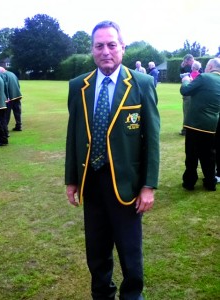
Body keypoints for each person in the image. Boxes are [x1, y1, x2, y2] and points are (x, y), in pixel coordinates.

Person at [65, 20, 160, 300]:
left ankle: (132, 295)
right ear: (92, 50)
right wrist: (71, 180)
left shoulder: (141, 83)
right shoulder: (78, 86)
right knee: (96, 248)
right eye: (99, 45)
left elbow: (151, 140)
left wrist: (148, 186)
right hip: (90, 180)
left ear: (122, 47)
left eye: (111, 45)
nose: (105, 51)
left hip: (126, 184)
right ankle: (102, 294)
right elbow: (73, 136)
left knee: (130, 249)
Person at [180, 58, 220, 191]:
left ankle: (189, 182)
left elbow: (185, 91)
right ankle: (210, 182)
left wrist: (185, 80)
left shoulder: (203, 77)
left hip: (195, 123)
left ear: (210, 67)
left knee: (191, 154)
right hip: (212, 125)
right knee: (209, 155)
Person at [0, 67, 23, 131]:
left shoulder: (3, 75)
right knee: (17, 112)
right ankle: (19, 126)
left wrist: (7, 97)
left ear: (0, 71)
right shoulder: (12, 74)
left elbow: (5, 86)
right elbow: (18, 84)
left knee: (6, 114)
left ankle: (5, 129)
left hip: (10, 97)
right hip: (17, 95)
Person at [179, 54, 195, 136]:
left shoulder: (196, 67)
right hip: (189, 91)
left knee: (187, 111)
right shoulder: (184, 67)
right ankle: (186, 129)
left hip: (190, 91)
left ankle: (186, 130)